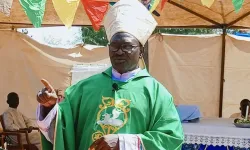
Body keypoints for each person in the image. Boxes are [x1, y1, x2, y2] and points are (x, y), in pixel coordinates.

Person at [36, 0, 184, 149]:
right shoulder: (82, 89)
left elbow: (171, 138)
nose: (119, 51)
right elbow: (62, 131)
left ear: (141, 52)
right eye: (114, 46)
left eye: (127, 46)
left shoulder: (157, 94)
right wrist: (49, 108)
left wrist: (123, 143)